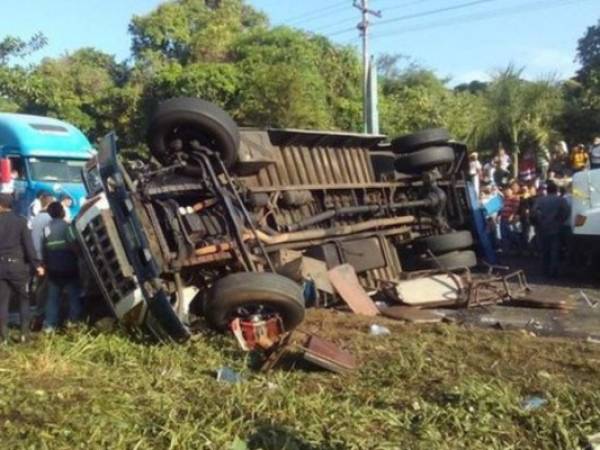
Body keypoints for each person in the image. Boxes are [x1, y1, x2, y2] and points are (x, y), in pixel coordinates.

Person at [0, 193, 44, 343]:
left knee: (2, 302)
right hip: (17, 265)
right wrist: (37, 265)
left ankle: (4, 337)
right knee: (23, 299)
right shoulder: (20, 221)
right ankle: (24, 334)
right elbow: (28, 246)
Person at [42, 202, 82, 331]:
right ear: (61, 212)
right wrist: (80, 256)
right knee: (73, 295)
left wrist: (46, 264)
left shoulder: (46, 228)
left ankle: (49, 325)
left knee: (52, 297)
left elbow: (44, 248)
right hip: (68, 265)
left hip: (53, 267)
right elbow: (74, 244)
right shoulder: (67, 226)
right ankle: (73, 322)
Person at [532, 181, 570, 278]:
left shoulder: (540, 200)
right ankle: (553, 271)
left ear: (547, 190)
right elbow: (566, 212)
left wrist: (539, 221)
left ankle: (544, 270)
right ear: (556, 190)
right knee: (554, 251)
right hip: (555, 228)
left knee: (544, 250)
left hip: (542, 228)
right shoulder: (561, 200)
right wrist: (560, 220)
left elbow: (534, 212)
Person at [499, 186, 520, 254]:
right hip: (503, 218)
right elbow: (500, 208)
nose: (506, 192)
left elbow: (515, 208)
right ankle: (506, 251)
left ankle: (519, 248)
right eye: (506, 190)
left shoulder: (515, 198)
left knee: (512, 234)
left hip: (510, 219)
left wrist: (512, 216)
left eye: (508, 190)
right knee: (504, 235)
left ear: (511, 191)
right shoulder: (504, 199)